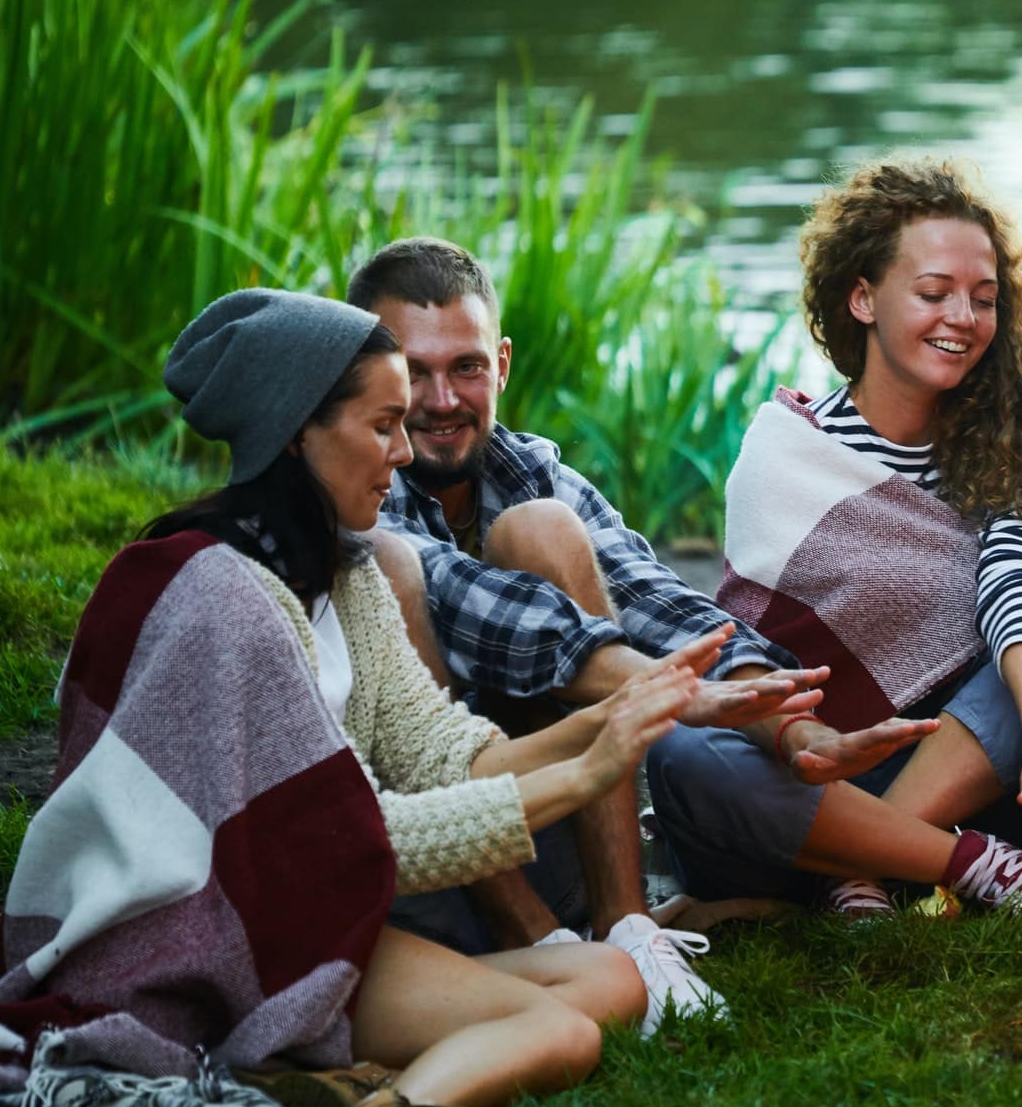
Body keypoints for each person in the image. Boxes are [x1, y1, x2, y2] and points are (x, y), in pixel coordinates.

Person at [0, 290, 685, 1107]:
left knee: (611, 980)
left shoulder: (343, 572)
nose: (405, 452)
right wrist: (590, 770)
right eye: (383, 424)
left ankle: (323, 1087)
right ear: (299, 430)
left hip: (301, 922)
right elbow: (359, 841)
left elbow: (437, 751)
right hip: (194, 943)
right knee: (562, 1035)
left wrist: (622, 709)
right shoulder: (216, 600)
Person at [346, 240, 824, 1031]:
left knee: (544, 529)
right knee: (402, 570)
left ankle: (625, 929)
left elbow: (654, 597)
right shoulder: (359, 483)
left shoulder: (527, 470)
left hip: (545, 821)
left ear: (500, 364)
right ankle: (535, 940)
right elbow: (468, 600)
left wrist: (785, 714)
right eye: (411, 371)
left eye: (464, 366)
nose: (439, 399)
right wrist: (666, 691)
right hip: (419, 859)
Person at [645, 156, 1022, 943]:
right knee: (683, 746)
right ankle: (943, 862)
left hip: (955, 757)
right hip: (806, 762)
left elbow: (1012, 583)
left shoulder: (1018, 447)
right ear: (862, 298)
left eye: (984, 298)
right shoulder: (787, 448)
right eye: (934, 293)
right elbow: (755, 651)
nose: (962, 317)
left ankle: (856, 863)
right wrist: (810, 742)